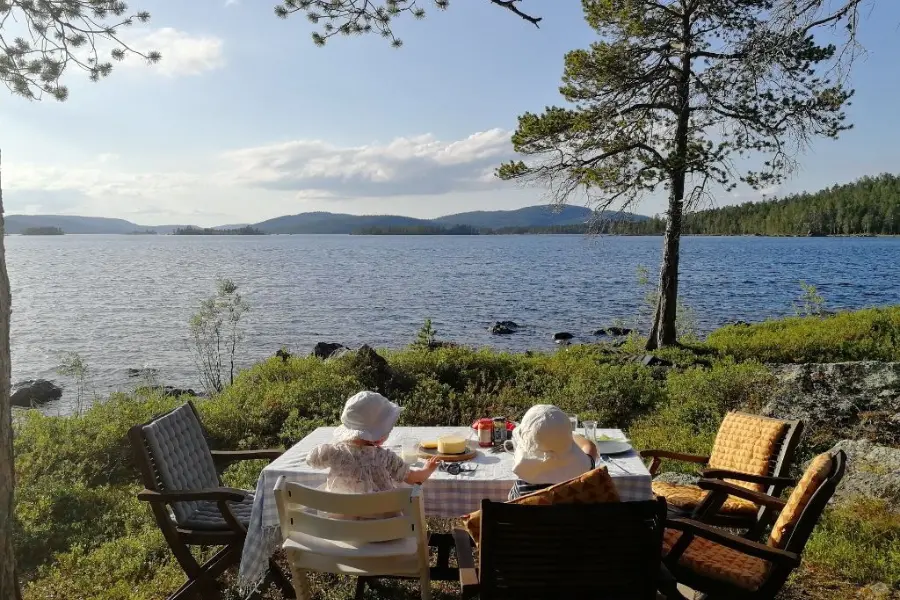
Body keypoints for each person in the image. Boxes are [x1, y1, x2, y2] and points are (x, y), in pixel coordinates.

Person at [307, 390, 441, 495]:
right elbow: (414, 478)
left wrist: (336, 447)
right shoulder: (386, 458)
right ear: (379, 436)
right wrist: (428, 469)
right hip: (382, 525)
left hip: (341, 525)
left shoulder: (332, 452)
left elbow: (311, 460)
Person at [508, 404, 599, 500]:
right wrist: (568, 435)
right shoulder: (585, 471)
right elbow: (590, 446)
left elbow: (511, 499)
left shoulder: (523, 484)